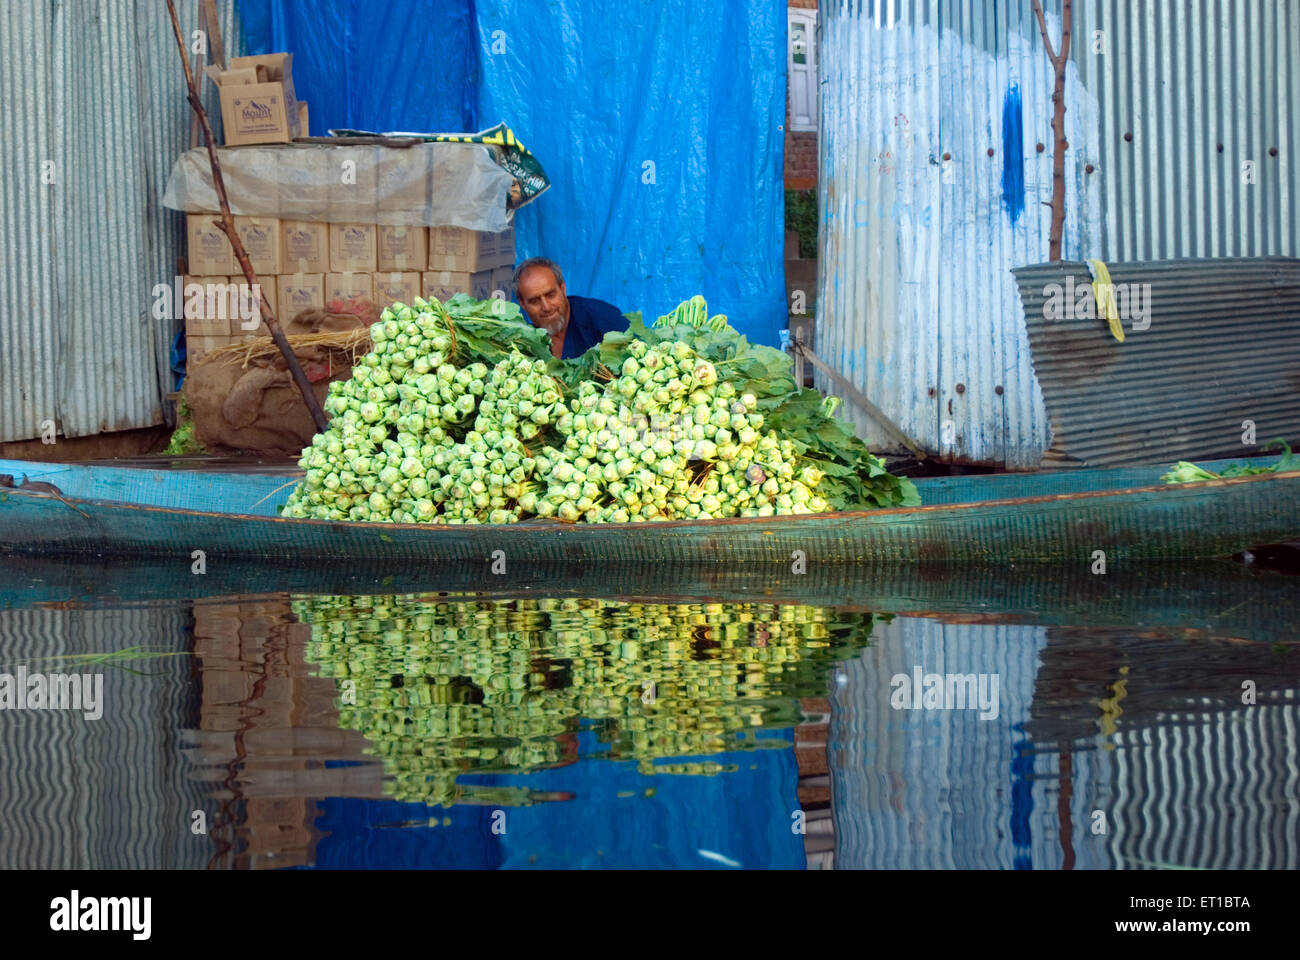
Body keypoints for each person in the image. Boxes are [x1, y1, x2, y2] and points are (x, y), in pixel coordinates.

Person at [512, 257, 626, 359]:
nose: (546, 307)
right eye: (534, 301)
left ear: (563, 288)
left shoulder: (602, 317)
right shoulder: (521, 341)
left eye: (550, 295)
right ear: (522, 303)